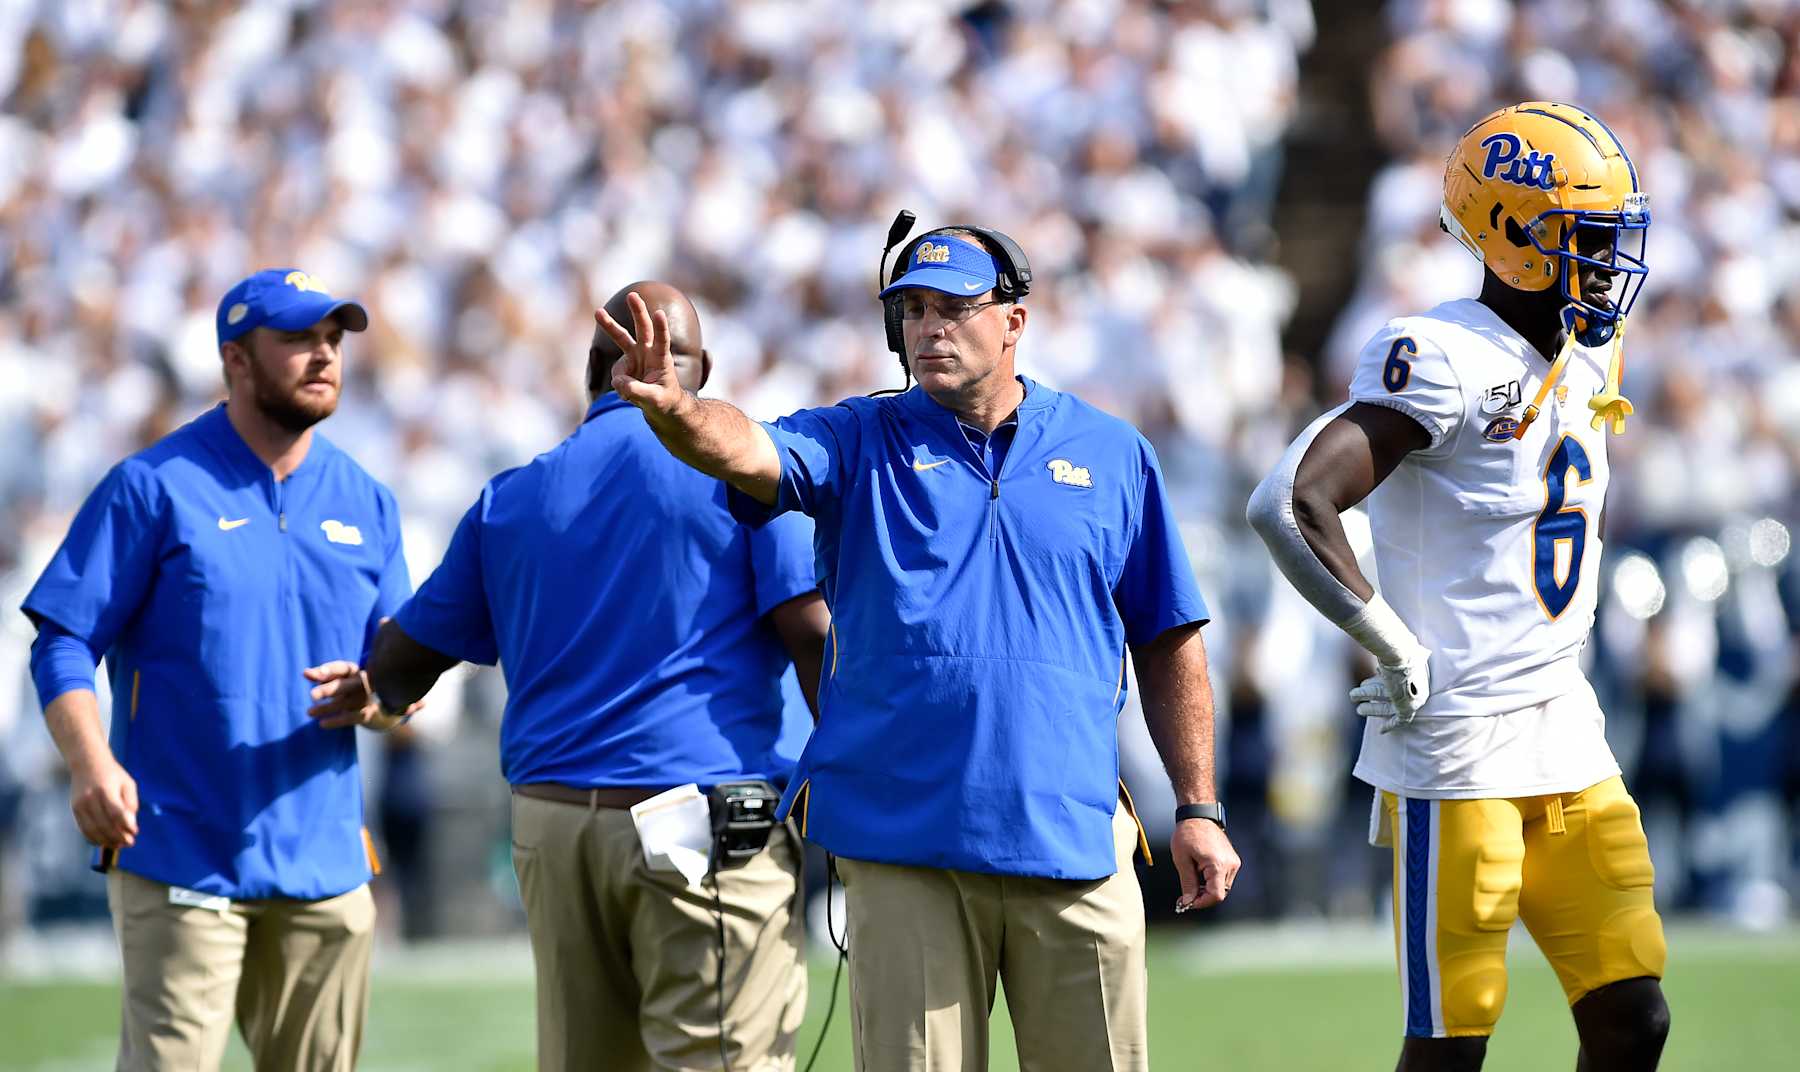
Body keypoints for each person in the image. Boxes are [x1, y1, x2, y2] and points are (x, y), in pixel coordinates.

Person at [604, 223, 1240, 1072]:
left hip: (1072, 836)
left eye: (953, 308)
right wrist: (681, 413)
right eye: (910, 311)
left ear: (1013, 320)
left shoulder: (1112, 453)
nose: (928, 328)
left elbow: (1167, 638)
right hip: (906, 849)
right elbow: (749, 447)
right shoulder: (856, 439)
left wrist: (1197, 806)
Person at [1246, 102, 1670, 1071]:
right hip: (1461, 740)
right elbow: (1292, 499)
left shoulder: (1585, 342)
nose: (1607, 265)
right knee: (1453, 1039)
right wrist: (1391, 641)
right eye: (1585, 239)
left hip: (1564, 721)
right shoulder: (1442, 356)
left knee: (1634, 1015)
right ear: (1516, 237)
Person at [357, 281, 829, 1072]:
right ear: (700, 369)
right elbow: (811, 635)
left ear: (593, 370)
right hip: (700, 817)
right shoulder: (745, 472)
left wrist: (369, 691)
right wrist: (859, 790)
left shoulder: (513, 494)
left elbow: (400, 662)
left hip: (554, 827)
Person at [21, 268, 414, 1071]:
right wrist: (90, 765)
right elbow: (61, 637)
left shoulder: (368, 500)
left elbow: (399, 679)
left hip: (326, 865)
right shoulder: (151, 486)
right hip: (179, 853)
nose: (325, 357)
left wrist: (376, 698)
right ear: (236, 360)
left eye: (334, 340)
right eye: (299, 340)